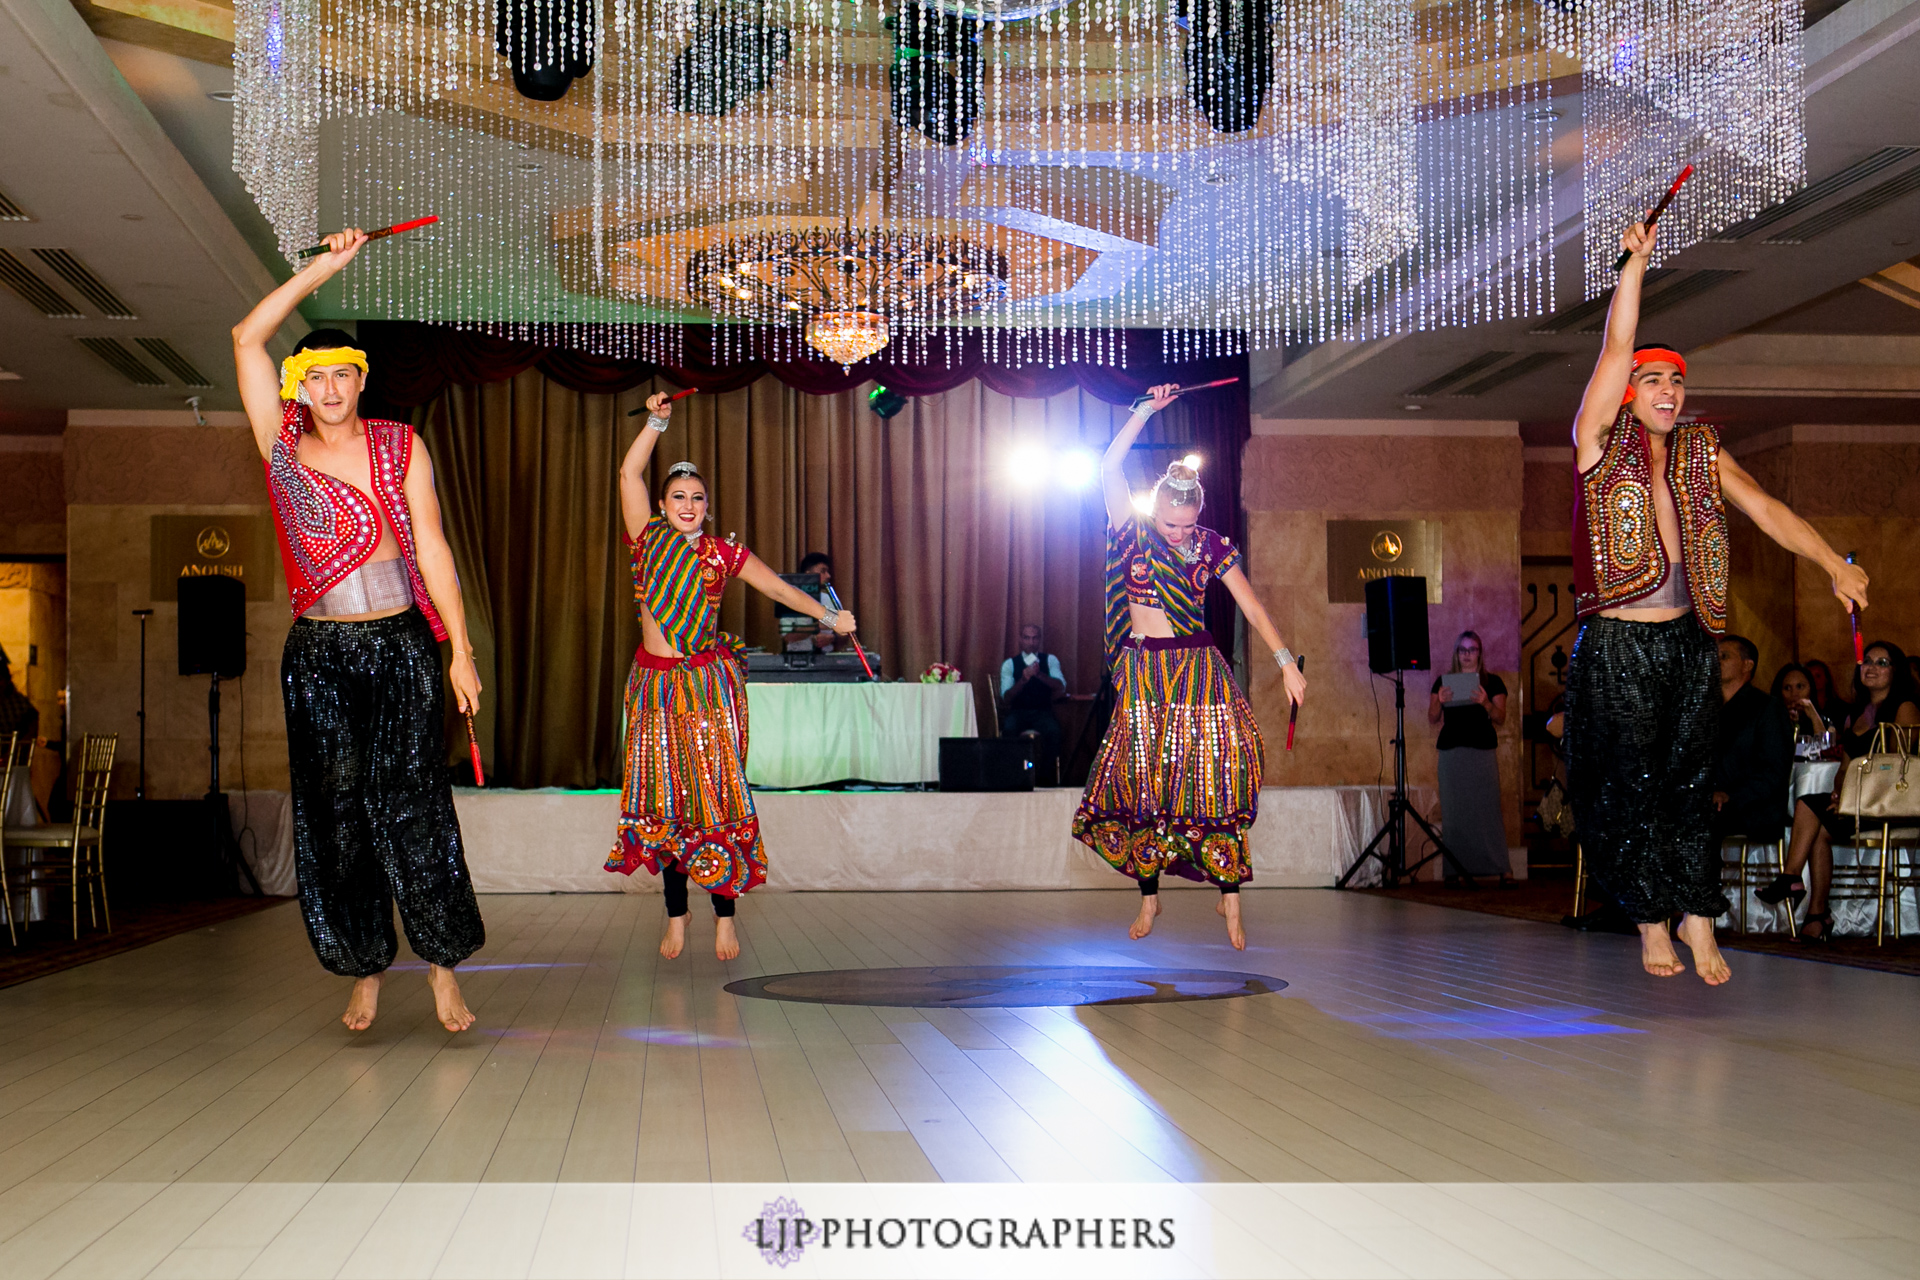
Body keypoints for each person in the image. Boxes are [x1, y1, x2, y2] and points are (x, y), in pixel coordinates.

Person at [1564, 213, 1868, 985]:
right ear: (1630, 393)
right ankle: (1650, 922)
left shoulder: (1701, 451)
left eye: (1677, 380)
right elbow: (1613, 348)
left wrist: (1833, 561)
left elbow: (1765, 508)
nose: (1668, 390)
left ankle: (1700, 917)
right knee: (1631, 788)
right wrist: (1633, 267)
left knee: (1692, 785)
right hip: (1618, 644)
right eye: (1654, 379)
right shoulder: (1599, 445)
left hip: (1687, 643)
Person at [232, 228, 485, 1033]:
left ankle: (442, 966)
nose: (333, 388)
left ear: (360, 382)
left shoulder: (398, 446)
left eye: (345, 374)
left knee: (413, 802)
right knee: (335, 810)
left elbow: (436, 550)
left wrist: (461, 651)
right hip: (317, 654)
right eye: (318, 377)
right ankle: (365, 965)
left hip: (401, 643)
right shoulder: (281, 450)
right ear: (298, 387)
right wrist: (323, 271)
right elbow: (245, 336)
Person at [607, 393, 858, 961]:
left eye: (697, 498)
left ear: (708, 507)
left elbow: (777, 588)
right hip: (654, 687)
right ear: (662, 505)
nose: (688, 504)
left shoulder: (722, 554)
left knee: (715, 799)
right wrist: (656, 424)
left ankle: (724, 916)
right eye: (678, 496)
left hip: (705, 688)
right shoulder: (647, 541)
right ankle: (676, 914)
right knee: (662, 799)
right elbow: (628, 471)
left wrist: (827, 616)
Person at [1073, 384, 1307, 950]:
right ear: (1157, 509)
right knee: (1143, 783)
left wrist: (1285, 664)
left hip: (1198, 671)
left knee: (1211, 779)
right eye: (1170, 524)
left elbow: (1251, 606)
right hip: (1143, 672)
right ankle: (1149, 899)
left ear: (1198, 515)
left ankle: (1230, 901)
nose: (1177, 535)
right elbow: (1109, 464)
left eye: (1186, 525)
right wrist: (1144, 412)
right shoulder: (1129, 532)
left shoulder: (1210, 547)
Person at [1759, 641, 1920, 940]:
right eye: (1867, 661)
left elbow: (1899, 763)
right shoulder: (1859, 710)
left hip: (1889, 803)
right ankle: (1817, 914)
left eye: (1882, 663)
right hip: (1859, 802)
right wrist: (1838, 794)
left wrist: (1852, 797)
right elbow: (1845, 767)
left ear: (1895, 672)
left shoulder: (1904, 707)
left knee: (1808, 805)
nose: (1871, 668)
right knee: (1818, 826)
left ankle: (1792, 879)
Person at [1427, 630, 1511, 882]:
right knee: (1454, 812)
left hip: (1482, 751)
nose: (1466, 655)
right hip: (1452, 753)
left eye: (1471, 649)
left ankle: (1501, 868)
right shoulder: (1443, 681)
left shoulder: (1492, 682)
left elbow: (1501, 718)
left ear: (1479, 653)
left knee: (1488, 810)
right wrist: (1439, 701)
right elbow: (1432, 717)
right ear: (1456, 653)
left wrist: (1485, 703)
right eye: (1462, 650)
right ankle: (1454, 870)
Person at [1711, 635, 1793, 847]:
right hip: (1714, 804)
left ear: (1747, 665)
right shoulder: (1707, 709)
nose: (1715, 661)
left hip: (1753, 808)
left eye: (1724, 656)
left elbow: (1774, 771)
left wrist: (1730, 795)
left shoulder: (1767, 708)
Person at [1000, 623, 1067, 783]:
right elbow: (1006, 698)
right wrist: (1023, 679)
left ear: (1039, 640)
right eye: (1027, 638)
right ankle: (1013, 777)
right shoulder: (1010, 664)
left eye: (1035, 638)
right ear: (1020, 640)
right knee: (1008, 730)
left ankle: (1045, 779)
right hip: (1018, 712)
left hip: (1042, 712)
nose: (1031, 642)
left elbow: (1061, 687)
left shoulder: (1050, 660)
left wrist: (1039, 675)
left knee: (1054, 732)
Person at [781, 552, 840, 653]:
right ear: (808, 574)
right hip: (798, 658)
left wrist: (833, 638)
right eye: (823, 571)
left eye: (828, 571)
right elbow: (787, 636)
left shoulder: (831, 600)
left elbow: (844, 633)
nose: (828, 576)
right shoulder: (791, 600)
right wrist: (815, 627)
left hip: (827, 658)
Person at [1770, 663, 1826, 742]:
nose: (1794, 694)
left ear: (1811, 688)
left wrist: (1814, 716)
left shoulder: (1823, 721)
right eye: (1787, 688)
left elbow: (1824, 750)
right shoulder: (1770, 721)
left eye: (1800, 686)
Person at [1805, 659, 1844, 726]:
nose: (1814, 680)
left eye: (1818, 676)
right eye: (1810, 677)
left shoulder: (1840, 708)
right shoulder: (1804, 707)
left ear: (1826, 678)